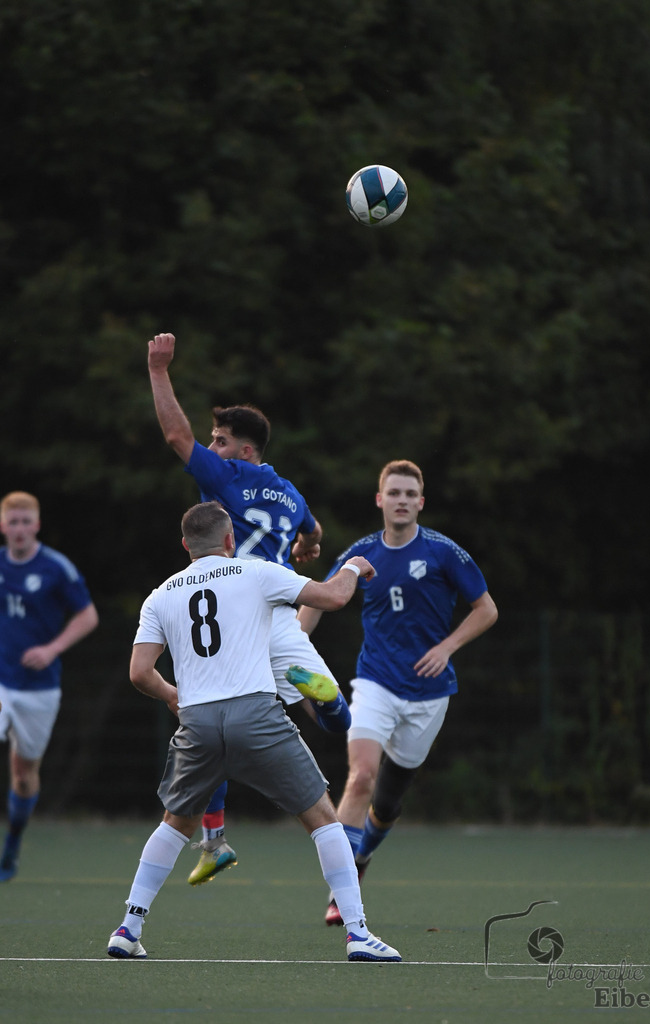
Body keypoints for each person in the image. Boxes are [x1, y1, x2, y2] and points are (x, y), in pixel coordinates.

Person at [106, 501, 401, 963]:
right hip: (255, 715)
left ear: (186, 546)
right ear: (229, 541)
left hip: (198, 722)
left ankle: (129, 925)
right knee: (323, 818)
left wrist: (171, 695)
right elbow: (333, 597)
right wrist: (353, 567)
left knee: (176, 822)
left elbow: (140, 672)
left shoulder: (160, 595)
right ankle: (359, 934)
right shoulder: (254, 571)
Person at [148, 332, 350, 886]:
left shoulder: (228, 477)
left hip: (236, 612)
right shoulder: (290, 492)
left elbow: (173, 433)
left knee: (204, 718)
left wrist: (159, 369)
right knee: (338, 723)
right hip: (281, 607)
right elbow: (313, 532)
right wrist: (309, 547)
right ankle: (324, 702)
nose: (211, 448)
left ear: (244, 451)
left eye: (220, 440)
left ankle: (213, 840)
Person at [297, 460, 498, 925]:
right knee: (361, 777)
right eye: (395, 492)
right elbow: (319, 602)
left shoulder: (445, 552)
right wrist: (287, 650)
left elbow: (486, 609)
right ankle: (343, 897)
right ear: (380, 499)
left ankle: (361, 861)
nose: (402, 500)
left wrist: (448, 647)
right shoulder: (361, 552)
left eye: (411, 493)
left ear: (420, 503)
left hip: (429, 695)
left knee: (385, 805)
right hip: (375, 684)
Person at [0, 491, 99, 881]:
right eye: (13, 521)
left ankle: (12, 846)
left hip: (40, 687)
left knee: (24, 775)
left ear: (37, 525)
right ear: (3, 526)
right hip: (2, 681)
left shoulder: (57, 567)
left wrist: (52, 648)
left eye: (27, 521)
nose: (20, 529)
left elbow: (88, 615)